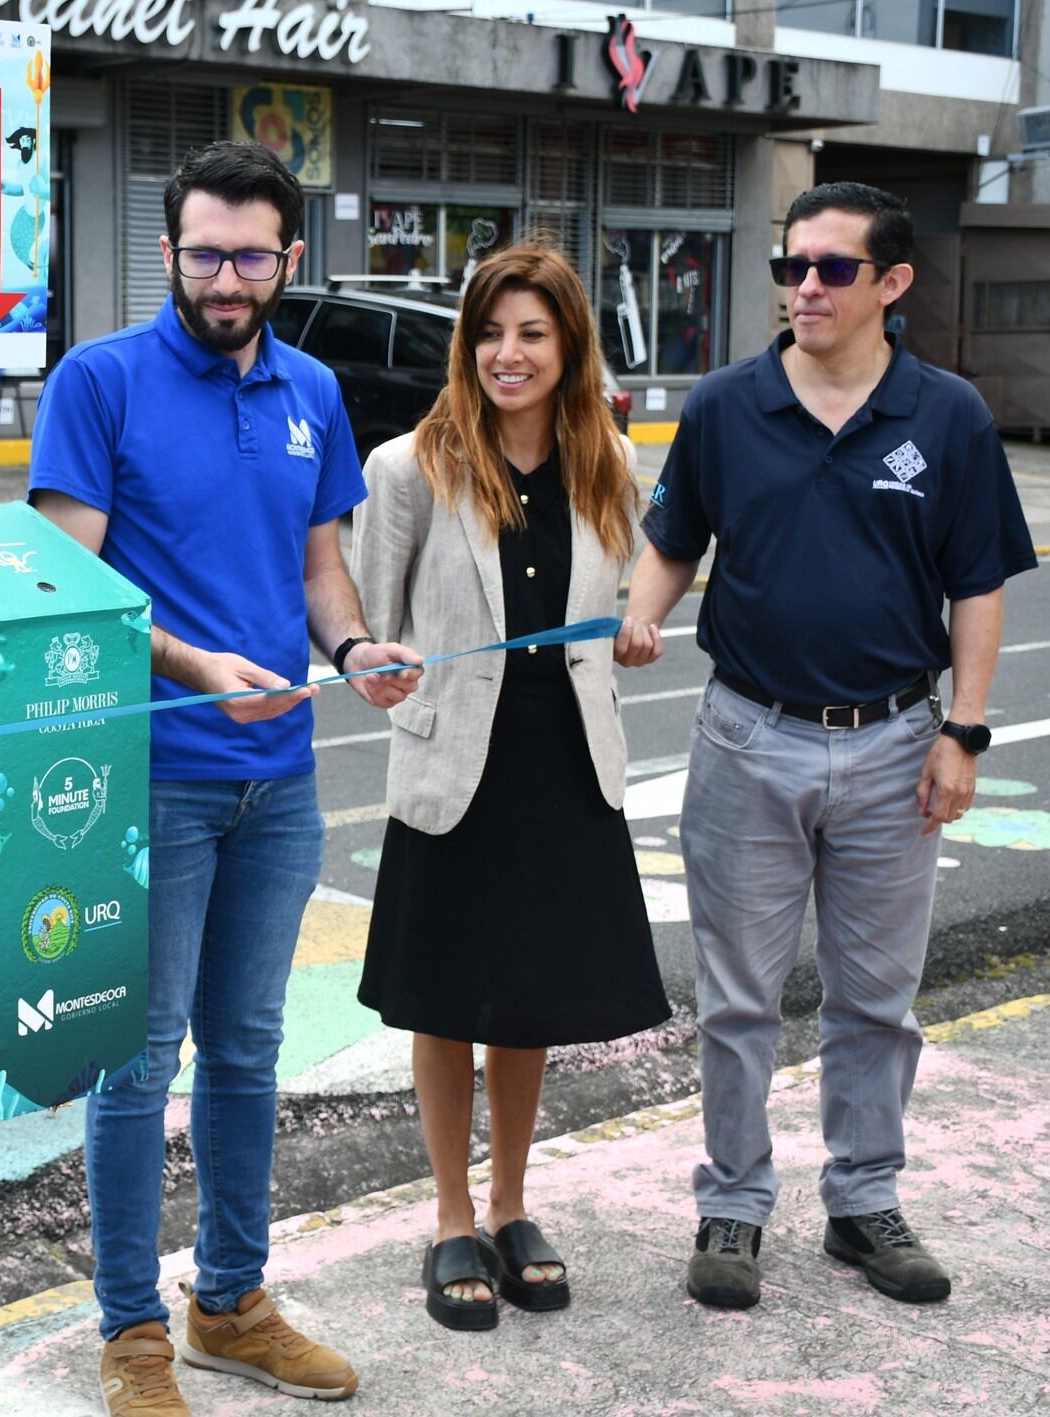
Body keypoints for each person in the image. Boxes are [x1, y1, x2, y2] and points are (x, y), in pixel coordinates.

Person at [30, 140, 420, 1415]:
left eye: (250, 253)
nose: (224, 275)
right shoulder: (100, 383)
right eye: (202, 250)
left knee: (248, 1051)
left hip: (281, 778)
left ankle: (231, 1304)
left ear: (287, 259)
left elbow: (319, 573)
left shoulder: (311, 387)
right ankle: (132, 1331)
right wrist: (194, 665)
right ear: (167, 251)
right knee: (136, 1064)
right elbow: (65, 591)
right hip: (150, 781)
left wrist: (355, 647)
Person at [623, 182, 1037, 1311]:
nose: (803, 286)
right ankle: (732, 1203)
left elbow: (976, 587)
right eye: (790, 266)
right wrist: (641, 605)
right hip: (743, 738)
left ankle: (861, 1202)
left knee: (874, 999)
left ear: (890, 284)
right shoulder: (723, 403)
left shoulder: (944, 416)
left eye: (830, 269)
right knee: (736, 998)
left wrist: (960, 731)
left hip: (894, 744)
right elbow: (673, 537)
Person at [349, 243, 673, 1332]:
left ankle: (511, 1203)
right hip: (454, 765)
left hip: (565, 762)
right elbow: (369, 628)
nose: (505, 353)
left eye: (530, 333)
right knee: (444, 997)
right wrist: (378, 670)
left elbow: (615, 605)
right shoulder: (408, 467)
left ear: (567, 345)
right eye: (488, 332)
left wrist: (631, 635)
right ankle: (449, 1216)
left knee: (526, 999)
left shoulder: (606, 463)